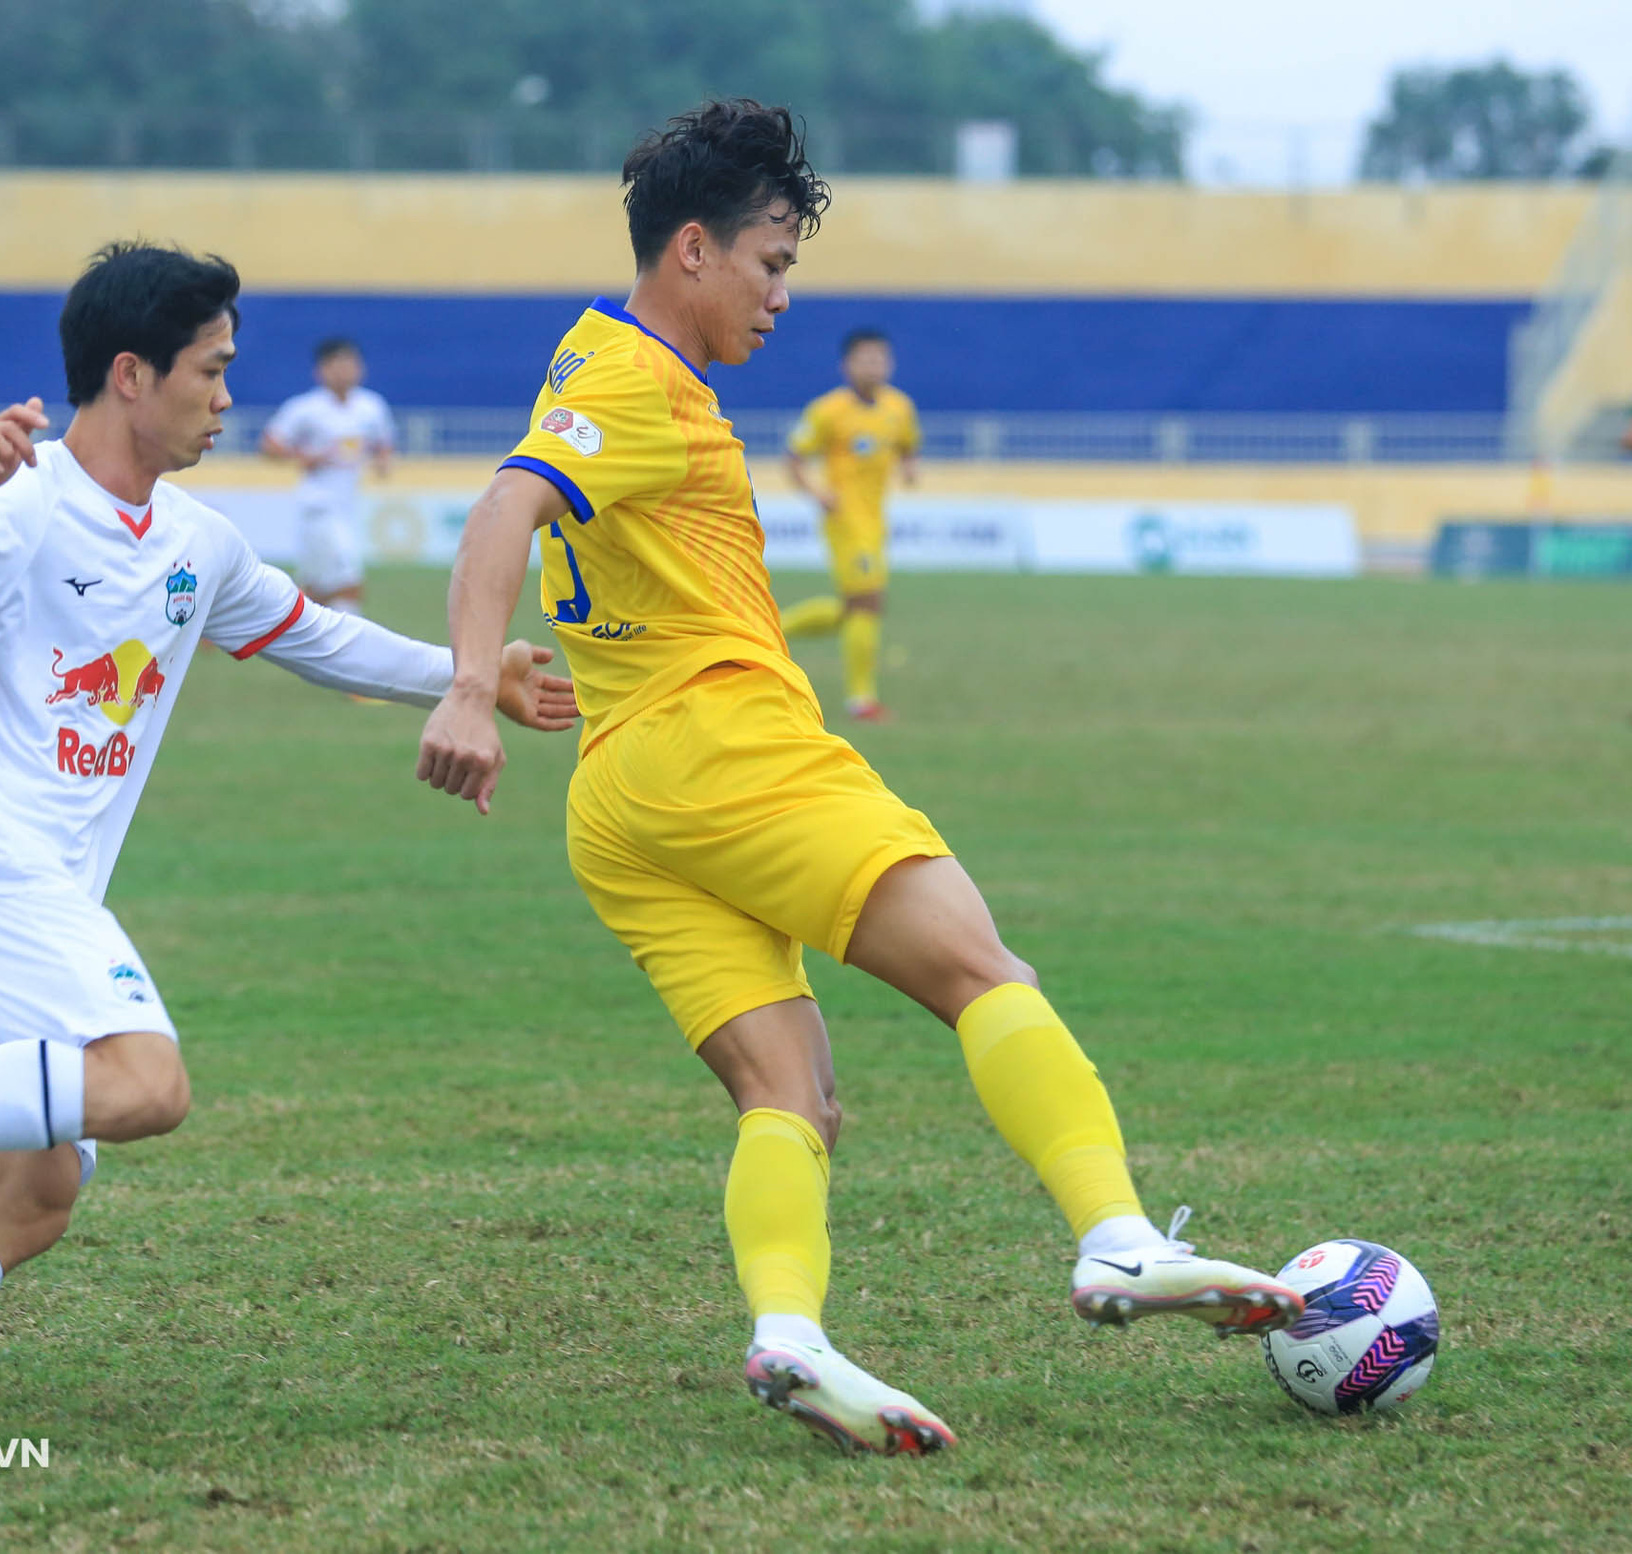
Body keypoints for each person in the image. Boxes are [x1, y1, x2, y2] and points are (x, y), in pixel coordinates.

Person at [414, 102, 1300, 1458]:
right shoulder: (637, 382)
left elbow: (563, 518)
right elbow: (503, 506)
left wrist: (535, 667)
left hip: (624, 792)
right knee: (982, 969)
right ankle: (1117, 1238)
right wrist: (469, 687)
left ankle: (790, 1333)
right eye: (771, 263)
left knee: (792, 1094)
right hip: (727, 748)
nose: (781, 296)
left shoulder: (590, 356)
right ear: (694, 249)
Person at [0, 243, 575, 1457]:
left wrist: (475, 676)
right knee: (146, 1083)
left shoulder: (197, 543)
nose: (228, 397)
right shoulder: (17, 507)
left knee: (31, 1198)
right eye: (211, 370)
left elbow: (316, 639)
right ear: (132, 374)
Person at [779, 328, 920, 721]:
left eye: (880, 358)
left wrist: (910, 467)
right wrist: (818, 493)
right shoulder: (828, 411)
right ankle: (861, 700)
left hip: (876, 521)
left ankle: (769, 631)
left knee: (854, 608)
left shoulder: (899, 407)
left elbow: (908, 444)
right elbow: (793, 458)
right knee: (869, 603)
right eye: (865, 359)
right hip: (844, 520)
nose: (874, 366)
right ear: (848, 365)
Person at [259, 337, 396, 614]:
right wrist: (305, 457)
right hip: (318, 507)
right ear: (321, 371)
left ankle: (249, 619)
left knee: (315, 592)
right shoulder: (306, 409)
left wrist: (382, 461)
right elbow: (269, 444)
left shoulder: (371, 407)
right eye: (337, 365)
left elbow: (383, 443)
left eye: (351, 364)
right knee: (349, 580)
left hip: (348, 506)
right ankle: (351, 649)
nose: (345, 371)